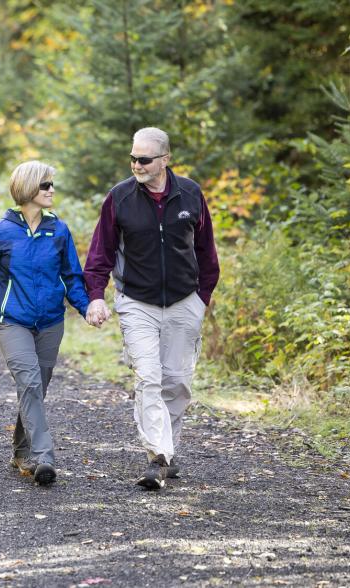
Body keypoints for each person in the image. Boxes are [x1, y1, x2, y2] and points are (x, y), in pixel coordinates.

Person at [83, 127, 219, 490]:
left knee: (177, 382)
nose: (136, 165)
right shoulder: (120, 198)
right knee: (149, 377)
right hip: (136, 302)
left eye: (144, 159)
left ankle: (167, 451)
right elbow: (100, 253)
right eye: (132, 158)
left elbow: (206, 251)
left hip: (184, 301)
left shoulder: (190, 193)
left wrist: (201, 299)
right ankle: (157, 455)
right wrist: (96, 295)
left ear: (165, 160)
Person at [0, 160, 91, 486]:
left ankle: (20, 451)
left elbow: (72, 277)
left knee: (36, 388)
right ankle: (44, 457)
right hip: (12, 322)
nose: (52, 191)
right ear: (29, 188)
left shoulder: (57, 230)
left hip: (50, 322)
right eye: (46, 185)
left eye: (51, 185)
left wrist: (87, 308)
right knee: (29, 383)